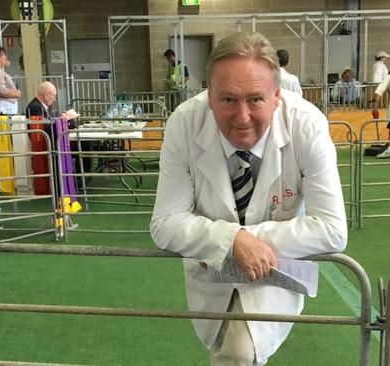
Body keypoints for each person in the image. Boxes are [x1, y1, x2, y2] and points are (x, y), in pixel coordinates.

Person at [150, 32, 347, 366]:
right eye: (228, 100)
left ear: (276, 97)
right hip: (211, 268)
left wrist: (246, 241)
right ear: (209, 97)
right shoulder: (184, 125)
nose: (242, 118)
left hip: (277, 265)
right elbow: (164, 223)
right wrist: (231, 240)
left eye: (255, 99)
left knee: (238, 353)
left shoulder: (307, 125)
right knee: (237, 352)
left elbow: (332, 229)